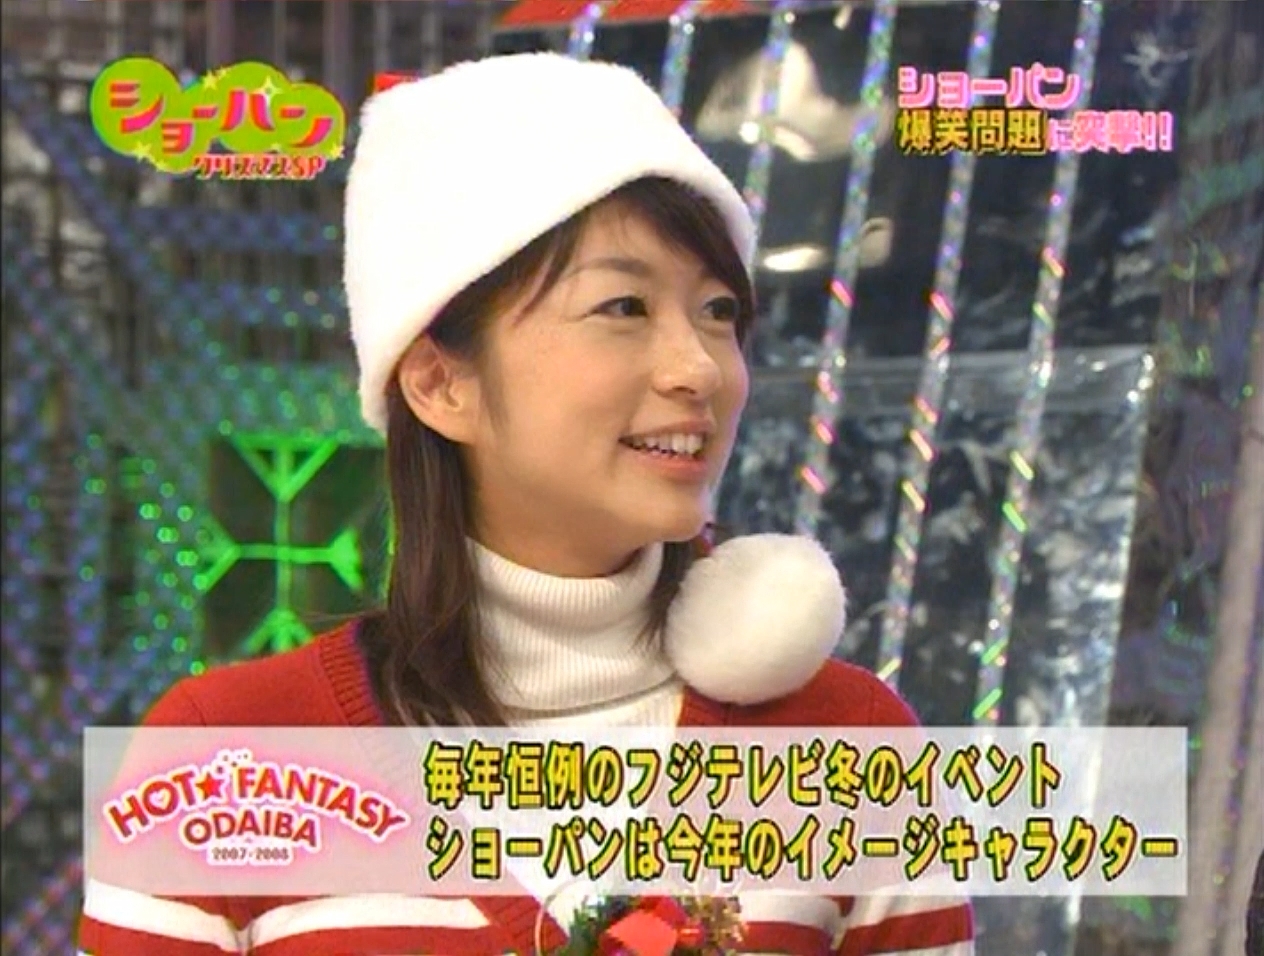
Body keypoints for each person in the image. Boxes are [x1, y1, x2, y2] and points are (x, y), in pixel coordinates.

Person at [78, 53, 975, 955]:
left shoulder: (851, 746)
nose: (699, 369)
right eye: (624, 307)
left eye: (717, 312)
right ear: (440, 384)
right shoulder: (224, 759)